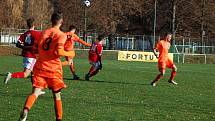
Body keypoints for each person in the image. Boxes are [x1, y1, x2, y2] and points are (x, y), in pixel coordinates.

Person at [18, 12, 74, 121]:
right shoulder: (61, 35)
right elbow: (59, 51)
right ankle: (59, 119)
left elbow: (34, 49)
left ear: (51, 20)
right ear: (61, 22)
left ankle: (26, 109)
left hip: (40, 67)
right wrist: (71, 54)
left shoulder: (43, 32)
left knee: (35, 92)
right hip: (54, 69)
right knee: (57, 96)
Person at [4, 18, 41, 84]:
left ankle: (35, 90)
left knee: (34, 73)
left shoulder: (25, 34)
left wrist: (24, 47)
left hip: (26, 56)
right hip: (32, 56)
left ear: (27, 25)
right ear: (34, 25)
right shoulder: (37, 34)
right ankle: (11, 75)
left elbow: (17, 44)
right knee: (26, 74)